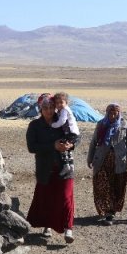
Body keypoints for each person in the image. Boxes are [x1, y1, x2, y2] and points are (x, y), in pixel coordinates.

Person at [26, 93, 76, 243]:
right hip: (45, 168)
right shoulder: (34, 126)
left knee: (66, 197)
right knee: (46, 198)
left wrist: (71, 144)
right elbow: (32, 147)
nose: (49, 111)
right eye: (45, 108)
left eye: (51, 107)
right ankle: (47, 225)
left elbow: (76, 136)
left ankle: (68, 229)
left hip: (65, 166)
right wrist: (52, 146)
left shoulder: (63, 121)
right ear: (40, 109)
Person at [87, 103, 127, 226]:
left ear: (119, 113)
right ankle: (107, 211)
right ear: (106, 113)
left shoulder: (125, 125)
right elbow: (94, 142)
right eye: (110, 113)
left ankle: (112, 210)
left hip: (119, 161)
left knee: (117, 186)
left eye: (115, 113)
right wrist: (89, 158)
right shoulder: (101, 124)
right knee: (102, 184)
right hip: (102, 160)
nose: (112, 115)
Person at [51, 92, 80, 179]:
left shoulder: (65, 110)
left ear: (66, 103)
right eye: (57, 103)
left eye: (61, 102)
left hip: (71, 132)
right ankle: (71, 166)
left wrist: (53, 125)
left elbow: (62, 121)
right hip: (73, 133)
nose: (59, 104)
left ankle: (66, 165)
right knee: (68, 150)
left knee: (63, 147)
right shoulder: (61, 111)